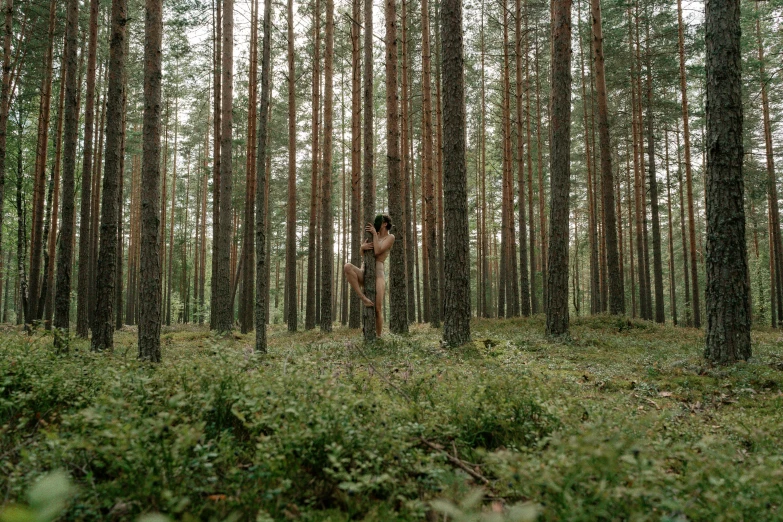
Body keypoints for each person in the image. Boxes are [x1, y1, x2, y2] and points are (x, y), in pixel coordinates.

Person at [344, 214, 395, 337]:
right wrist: (362, 247)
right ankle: (363, 298)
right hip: (364, 270)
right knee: (347, 266)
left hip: (378, 273)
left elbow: (377, 252)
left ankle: (378, 337)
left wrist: (374, 235)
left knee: (377, 309)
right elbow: (364, 254)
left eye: (380, 221)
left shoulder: (390, 237)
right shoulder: (373, 236)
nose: (377, 223)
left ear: (385, 224)